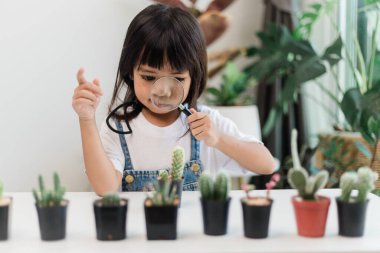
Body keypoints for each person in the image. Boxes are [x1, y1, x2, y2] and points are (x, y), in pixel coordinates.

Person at [72, 4, 275, 196]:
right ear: (130, 72)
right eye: (149, 77)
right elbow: (105, 188)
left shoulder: (207, 122)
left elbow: (266, 165)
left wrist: (219, 139)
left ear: (194, 75)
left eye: (177, 79)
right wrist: (86, 119)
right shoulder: (119, 126)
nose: (163, 91)